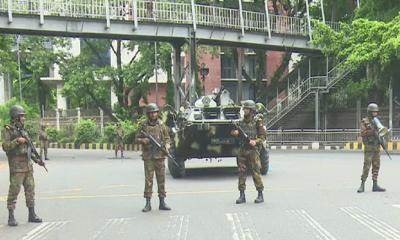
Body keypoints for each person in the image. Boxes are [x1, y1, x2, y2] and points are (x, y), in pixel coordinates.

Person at [2, 105, 44, 226]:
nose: (24, 118)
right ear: (15, 117)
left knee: (30, 190)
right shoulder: (8, 130)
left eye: (24, 116)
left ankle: (32, 214)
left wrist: (37, 160)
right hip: (17, 167)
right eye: (22, 116)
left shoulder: (24, 131)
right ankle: (11, 217)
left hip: (28, 166)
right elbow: (5, 147)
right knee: (14, 191)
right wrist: (17, 141)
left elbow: (29, 149)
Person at [135, 103, 172, 212]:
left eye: (155, 112)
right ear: (148, 114)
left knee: (161, 180)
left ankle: (162, 202)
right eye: (151, 112)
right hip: (148, 157)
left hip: (160, 157)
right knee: (149, 180)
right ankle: (148, 203)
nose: (153, 114)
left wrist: (167, 146)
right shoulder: (143, 126)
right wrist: (143, 140)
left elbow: (167, 138)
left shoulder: (161, 125)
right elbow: (136, 138)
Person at [231, 100, 266, 204]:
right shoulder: (240, 123)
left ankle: (260, 194)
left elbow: (263, 137)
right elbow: (233, 132)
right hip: (243, 150)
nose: (244, 110)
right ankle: (242, 195)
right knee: (241, 172)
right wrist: (235, 132)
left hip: (253, 151)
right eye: (244, 108)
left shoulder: (257, 122)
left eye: (246, 109)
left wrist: (255, 142)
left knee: (256, 172)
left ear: (251, 110)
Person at [357, 103, 386, 193]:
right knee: (367, 165)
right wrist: (372, 130)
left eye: (376, 112)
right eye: (373, 112)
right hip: (369, 147)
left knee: (376, 165)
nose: (375, 114)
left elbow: (381, 132)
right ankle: (362, 184)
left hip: (376, 146)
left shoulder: (377, 121)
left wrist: (382, 140)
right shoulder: (364, 121)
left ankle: (375, 184)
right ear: (369, 112)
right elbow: (363, 133)